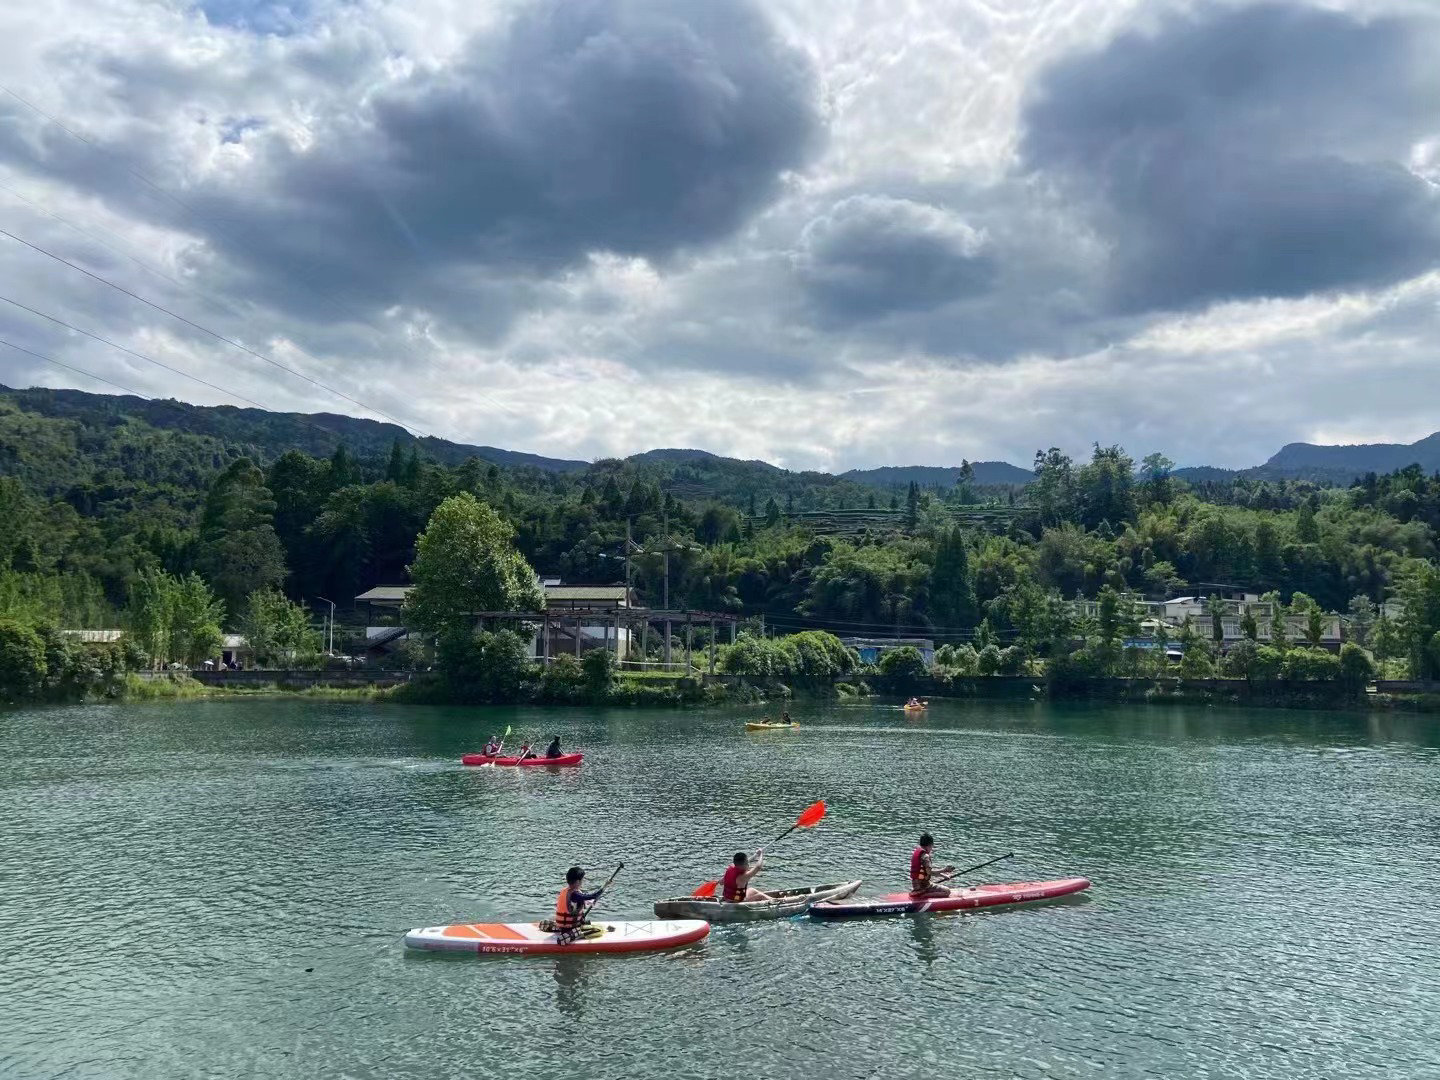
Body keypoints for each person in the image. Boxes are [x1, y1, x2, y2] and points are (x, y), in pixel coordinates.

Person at [554, 866, 605, 942]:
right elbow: (592, 896)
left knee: (589, 923)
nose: (583, 882)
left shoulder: (566, 891)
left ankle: (575, 932)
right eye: (582, 880)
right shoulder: (574, 894)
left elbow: (582, 900)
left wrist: (590, 902)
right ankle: (577, 936)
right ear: (578, 881)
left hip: (563, 926)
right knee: (600, 930)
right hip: (569, 928)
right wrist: (603, 888)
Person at [909, 833, 955, 898]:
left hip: (916, 885)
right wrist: (944, 870)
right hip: (924, 887)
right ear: (930, 845)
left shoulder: (917, 852)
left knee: (931, 883)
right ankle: (923, 896)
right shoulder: (926, 857)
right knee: (947, 891)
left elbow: (926, 872)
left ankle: (920, 892)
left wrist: (944, 876)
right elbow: (929, 872)